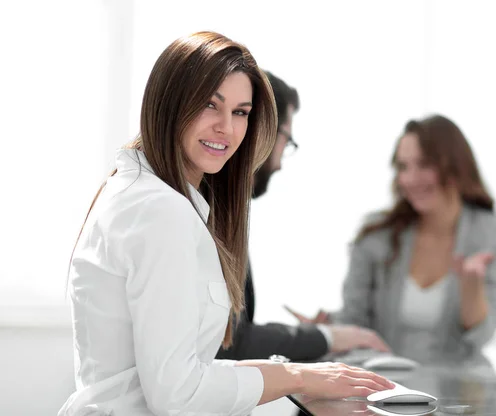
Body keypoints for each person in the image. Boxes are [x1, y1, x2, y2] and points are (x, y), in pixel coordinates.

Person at [58, 31, 394, 416]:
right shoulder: (161, 210)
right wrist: (298, 377)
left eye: (240, 112)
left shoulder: (142, 193)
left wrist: (297, 373)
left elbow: (184, 372)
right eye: (209, 105)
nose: (227, 128)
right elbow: (177, 395)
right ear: (168, 104)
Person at [292, 115, 496, 361]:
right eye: (403, 167)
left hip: (460, 387)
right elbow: (355, 321)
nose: (409, 179)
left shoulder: (489, 230)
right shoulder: (376, 234)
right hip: (387, 384)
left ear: (455, 165)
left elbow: (481, 337)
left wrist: (471, 287)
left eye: (424, 164)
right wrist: (324, 331)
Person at [216, 71, 390, 363]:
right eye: (286, 138)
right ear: (263, 132)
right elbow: (229, 341)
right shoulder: (208, 212)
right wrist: (327, 338)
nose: (281, 163)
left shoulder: (221, 209)